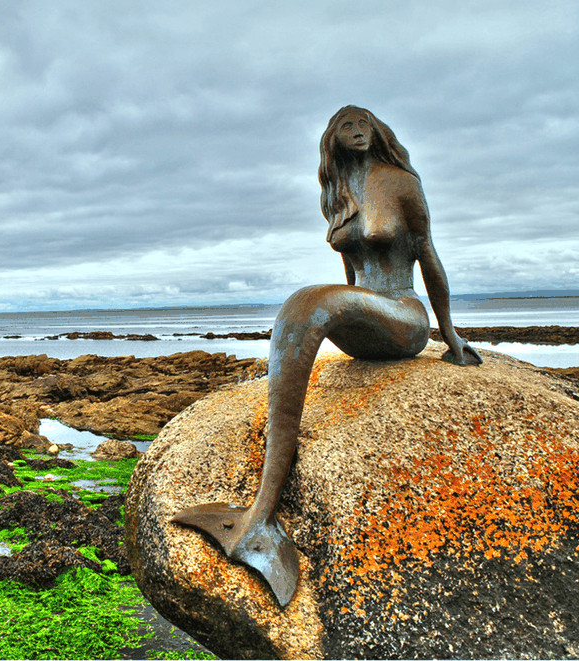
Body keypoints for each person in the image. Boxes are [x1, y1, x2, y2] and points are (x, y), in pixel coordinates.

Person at [172, 106, 481, 607]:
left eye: (364, 125)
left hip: (402, 318)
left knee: (308, 302)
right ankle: (259, 514)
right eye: (346, 127)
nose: (357, 133)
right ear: (332, 140)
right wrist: (337, 314)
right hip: (364, 318)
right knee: (303, 310)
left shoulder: (400, 181)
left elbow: (427, 253)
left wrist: (449, 335)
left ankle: (262, 515)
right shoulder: (338, 194)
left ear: (378, 132)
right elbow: (351, 279)